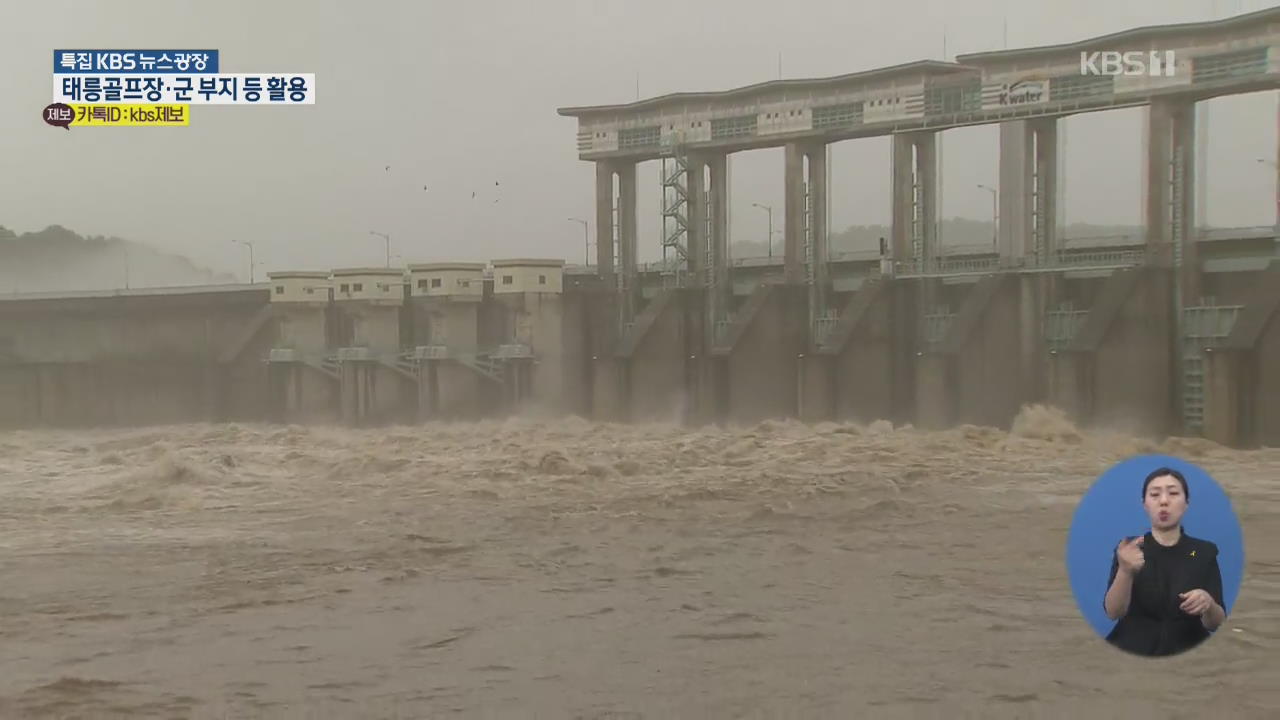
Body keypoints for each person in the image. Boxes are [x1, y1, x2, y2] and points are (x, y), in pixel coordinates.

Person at [1103, 467, 1227, 656]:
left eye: (1173, 493)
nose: (1163, 501)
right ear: (1144, 503)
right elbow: (1114, 612)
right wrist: (1125, 571)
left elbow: (1216, 623)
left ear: (1186, 502)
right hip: (1132, 649)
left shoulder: (1203, 552)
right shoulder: (1129, 549)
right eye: (1154, 494)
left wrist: (1208, 603)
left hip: (1189, 648)